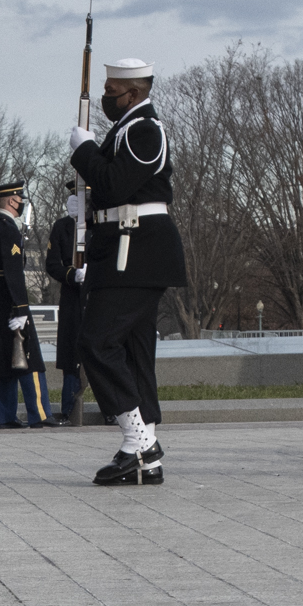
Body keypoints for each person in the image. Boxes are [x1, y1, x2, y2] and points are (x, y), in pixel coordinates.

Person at [69, 57, 180, 484]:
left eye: (113, 91)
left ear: (133, 94)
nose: (106, 97)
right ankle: (145, 458)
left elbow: (116, 183)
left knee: (96, 342)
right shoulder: (127, 129)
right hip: (124, 248)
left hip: (138, 252)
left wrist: (84, 151)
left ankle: (139, 442)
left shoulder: (144, 130)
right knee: (135, 352)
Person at [0, 176, 43, 429]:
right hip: (10, 301)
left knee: (4, 360)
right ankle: (40, 414)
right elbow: (14, 272)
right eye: (19, 199)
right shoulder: (7, 229)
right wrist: (20, 308)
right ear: (10, 200)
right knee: (30, 358)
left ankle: (5, 417)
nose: (21, 204)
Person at [46, 185, 90, 424]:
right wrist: (72, 274)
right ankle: (68, 409)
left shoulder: (98, 226)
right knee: (71, 356)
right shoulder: (62, 227)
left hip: (94, 297)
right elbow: (52, 264)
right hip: (72, 299)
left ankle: (111, 410)